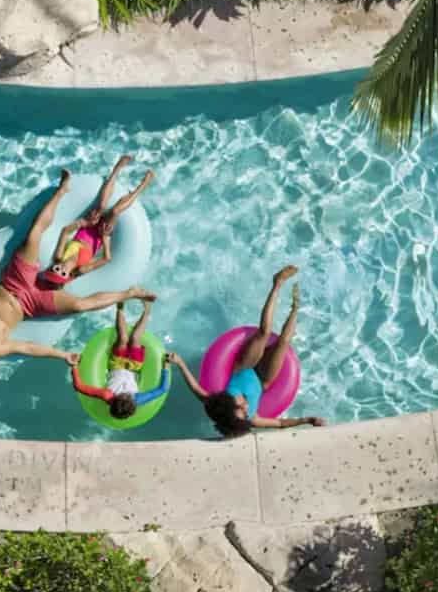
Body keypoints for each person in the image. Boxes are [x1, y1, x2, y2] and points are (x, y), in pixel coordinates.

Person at [0, 169, 155, 362]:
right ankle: (130, 293)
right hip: (31, 304)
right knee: (79, 306)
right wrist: (62, 354)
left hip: (13, 282)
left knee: (34, 234)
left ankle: (62, 190)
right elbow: (27, 348)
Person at [169, 265, 327, 437]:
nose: (246, 406)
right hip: (263, 380)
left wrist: (180, 363)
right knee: (284, 342)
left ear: (227, 405)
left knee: (264, 332)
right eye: (245, 413)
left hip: (243, 366)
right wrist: (308, 420)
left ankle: (277, 283)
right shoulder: (251, 418)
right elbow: (280, 423)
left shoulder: (215, 400)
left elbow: (195, 388)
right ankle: (296, 307)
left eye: (239, 407)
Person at [38, 154, 154, 288]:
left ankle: (116, 170)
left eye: (56, 269)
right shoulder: (81, 269)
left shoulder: (59, 256)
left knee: (102, 206)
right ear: (67, 276)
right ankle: (142, 186)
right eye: (62, 273)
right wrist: (105, 237)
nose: (61, 268)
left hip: (86, 227)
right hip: (101, 235)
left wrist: (83, 222)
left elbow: (65, 232)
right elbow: (106, 259)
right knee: (115, 211)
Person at [71, 300, 173, 420]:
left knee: (123, 338)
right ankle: (147, 310)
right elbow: (162, 389)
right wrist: (166, 366)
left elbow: (79, 386)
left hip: (116, 364)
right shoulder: (136, 399)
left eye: (123, 396)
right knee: (135, 338)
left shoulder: (108, 395)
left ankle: (120, 309)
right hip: (134, 366)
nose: (126, 394)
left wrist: (74, 366)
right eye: (127, 397)